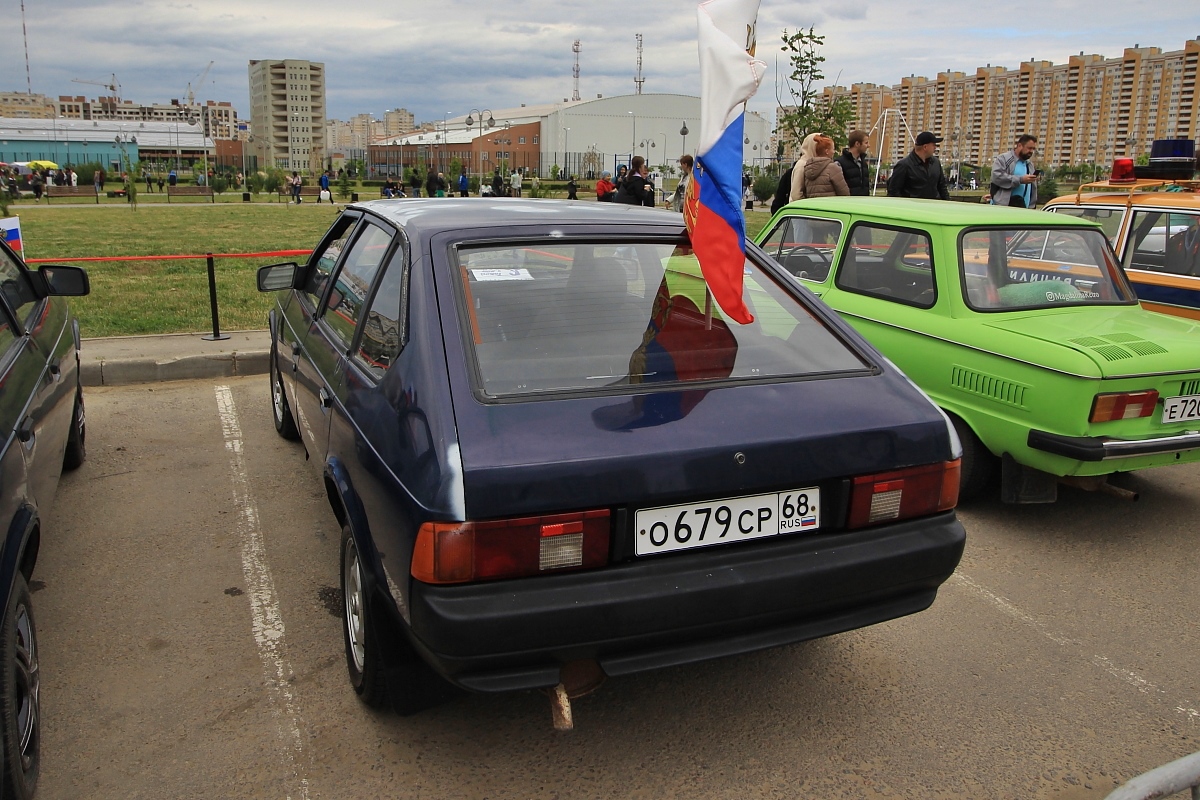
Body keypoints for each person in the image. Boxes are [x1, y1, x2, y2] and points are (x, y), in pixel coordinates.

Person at [887, 131, 949, 200]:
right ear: (925, 147)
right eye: (933, 145)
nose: (935, 147)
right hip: (912, 208)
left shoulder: (936, 163)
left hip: (933, 207)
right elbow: (893, 191)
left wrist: (949, 204)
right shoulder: (904, 165)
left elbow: (942, 187)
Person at [991, 134, 1040, 208]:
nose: (1031, 151)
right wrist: (1020, 180)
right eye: (1029, 148)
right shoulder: (1004, 159)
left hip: (1025, 209)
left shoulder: (1029, 164)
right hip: (1004, 208)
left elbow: (1033, 188)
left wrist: (1032, 206)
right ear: (1020, 145)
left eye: (1033, 149)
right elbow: (996, 177)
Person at [835, 130, 872, 196]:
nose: (869, 145)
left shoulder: (864, 164)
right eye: (866, 143)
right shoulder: (839, 163)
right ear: (857, 144)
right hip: (848, 203)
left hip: (863, 203)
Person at [788, 132, 822, 202]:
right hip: (800, 209)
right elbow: (796, 194)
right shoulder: (802, 164)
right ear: (812, 146)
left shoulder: (815, 163)